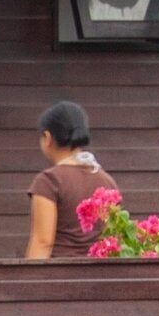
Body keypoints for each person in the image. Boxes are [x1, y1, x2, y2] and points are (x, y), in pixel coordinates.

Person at [25, 102, 121, 259]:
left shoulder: (49, 182)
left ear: (48, 138)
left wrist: (29, 281)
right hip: (101, 277)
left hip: (60, 277)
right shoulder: (107, 181)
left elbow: (43, 242)